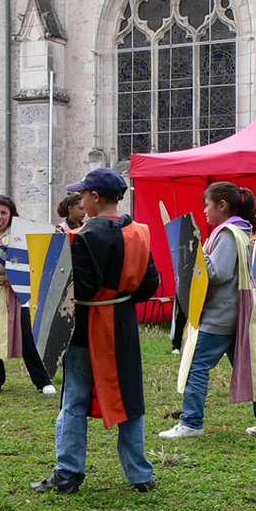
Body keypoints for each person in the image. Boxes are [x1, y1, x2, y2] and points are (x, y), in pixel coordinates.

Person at [31, 168, 158, 494]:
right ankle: (141, 476)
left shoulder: (80, 237)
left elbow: (80, 290)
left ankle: (68, 473)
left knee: (74, 400)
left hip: (87, 330)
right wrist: (119, 298)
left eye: (84, 195)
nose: (81, 200)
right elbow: (149, 286)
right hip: (124, 327)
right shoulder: (141, 232)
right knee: (131, 400)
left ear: (95, 198)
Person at [158, 182, 256, 439]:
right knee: (251, 369)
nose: (204, 210)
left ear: (222, 206)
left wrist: (191, 258)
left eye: (207, 204)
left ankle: (191, 422)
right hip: (233, 314)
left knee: (196, 367)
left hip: (219, 316)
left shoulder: (227, 233)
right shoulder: (239, 231)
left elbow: (217, 273)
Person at [0, 196, 56, 395]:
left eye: (4, 213)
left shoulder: (19, 238)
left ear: (11, 215)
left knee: (27, 337)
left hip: (18, 295)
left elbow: (31, 262)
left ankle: (42, 381)